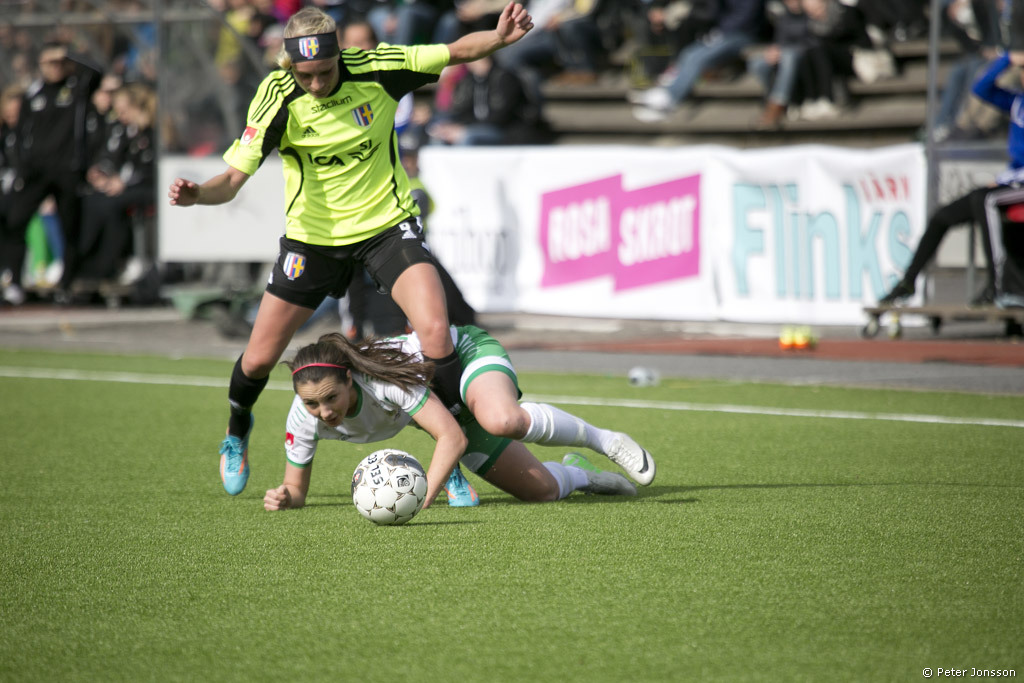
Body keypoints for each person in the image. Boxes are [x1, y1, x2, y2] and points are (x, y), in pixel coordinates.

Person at [168, 2, 536, 497]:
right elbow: (232, 180)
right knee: (256, 361)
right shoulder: (276, 95)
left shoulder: (379, 69)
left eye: (324, 71)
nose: (316, 84)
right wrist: (198, 195)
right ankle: (236, 432)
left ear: (340, 54)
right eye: (305, 75)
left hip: (385, 227)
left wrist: (498, 37)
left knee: (435, 334)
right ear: (288, 65)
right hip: (313, 240)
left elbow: (453, 51)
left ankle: (448, 459)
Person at [263, 326, 655, 512]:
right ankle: (581, 474)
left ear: (350, 379)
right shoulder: (304, 418)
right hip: (441, 403)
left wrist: (418, 499)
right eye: (312, 404)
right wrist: (285, 497)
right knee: (543, 492)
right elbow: (296, 489)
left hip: (462, 358)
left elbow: (451, 437)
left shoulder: (383, 382)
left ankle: (604, 440)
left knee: (503, 420)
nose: (324, 412)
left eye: (330, 398)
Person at [878, 53, 1024, 307]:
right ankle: (908, 282)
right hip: (1012, 181)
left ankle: (1000, 286)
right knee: (943, 216)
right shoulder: (1017, 102)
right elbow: (981, 88)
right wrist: (1007, 60)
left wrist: (1012, 179)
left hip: (1018, 183)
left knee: (985, 201)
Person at [1, 41, 102, 305]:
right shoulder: (33, 94)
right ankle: (14, 282)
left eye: (59, 62)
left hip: (68, 169)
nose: (55, 67)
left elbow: (98, 73)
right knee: (15, 221)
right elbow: (20, 134)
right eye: (50, 62)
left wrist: (72, 55)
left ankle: (66, 284)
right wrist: (22, 166)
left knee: (70, 227)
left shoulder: (77, 88)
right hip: (36, 171)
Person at [629, 0, 766, 122]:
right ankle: (665, 90)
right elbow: (714, 11)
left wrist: (721, 31)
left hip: (744, 35)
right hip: (724, 32)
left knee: (696, 58)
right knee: (689, 53)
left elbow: (746, 17)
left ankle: (669, 99)